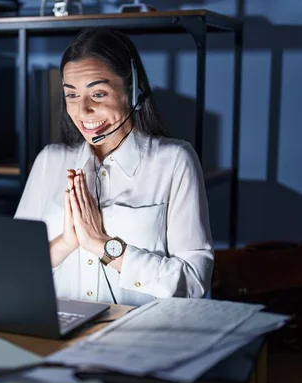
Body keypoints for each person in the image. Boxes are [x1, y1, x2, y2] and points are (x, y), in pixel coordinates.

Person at [14, 28, 213, 306]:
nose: (82, 111)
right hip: (58, 335)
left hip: (141, 337)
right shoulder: (50, 161)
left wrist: (102, 245)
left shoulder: (174, 161)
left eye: (98, 94)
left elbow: (194, 282)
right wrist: (66, 243)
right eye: (71, 95)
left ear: (132, 93)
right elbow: (14, 270)